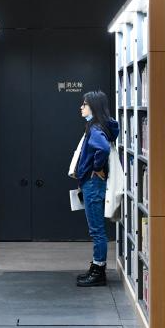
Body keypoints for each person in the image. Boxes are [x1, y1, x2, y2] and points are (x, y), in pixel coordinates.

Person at [72, 90, 119, 288]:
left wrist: (97, 167)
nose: (81, 107)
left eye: (84, 104)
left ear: (94, 107)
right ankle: (96, 267)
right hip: (93, 183)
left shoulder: (95, 129)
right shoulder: (98, 126)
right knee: (96, 229)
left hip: (93, 184)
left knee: (97, 230)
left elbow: (103, 149)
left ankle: (98, 272)